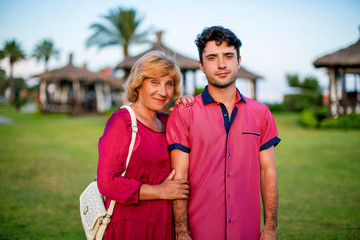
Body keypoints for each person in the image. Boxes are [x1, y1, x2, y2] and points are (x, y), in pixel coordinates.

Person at [167, 26, 281, 240]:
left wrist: (270, 228)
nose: (221, 64)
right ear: (201, 65)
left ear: (238, 61)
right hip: (200, 231)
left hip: (247, 232)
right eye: (212, 58)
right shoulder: (184, 113)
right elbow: (179, 178)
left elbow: (268, 173)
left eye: (228, 56)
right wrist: (181, 232)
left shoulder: (261, 113)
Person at [97, 50, 191, 240]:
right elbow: (107, 182)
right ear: (139, 84)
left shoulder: (168, 122)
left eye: (169, 84)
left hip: (163, 225)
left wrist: (187, 108)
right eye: (154, 82)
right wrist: (161, 191)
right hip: (130, 225)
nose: (163, 92)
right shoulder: (122, 121)